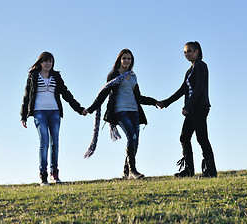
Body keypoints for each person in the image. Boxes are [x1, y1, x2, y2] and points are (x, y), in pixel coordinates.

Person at [85, 49, 158, 179]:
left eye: (129, 59)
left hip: (134, 111)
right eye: (124, 58)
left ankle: (126, 172)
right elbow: (103, 93)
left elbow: (139, 97)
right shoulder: (114, 75)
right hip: (120, 111)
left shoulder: (133, 76)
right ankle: (133, 171)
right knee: (132, 136)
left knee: (135, 140)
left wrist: (154, 102)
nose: (126, 61)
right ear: (119, 60)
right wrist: (90, 109)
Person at [20, 51, 87, 186]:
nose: (48, 64)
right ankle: (43, 175)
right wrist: (23, 115)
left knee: (54, 143)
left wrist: (79, 109)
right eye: (45, 61)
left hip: (54, 112)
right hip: (39, 112)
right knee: (44, 142)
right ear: (40, 62)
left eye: (50, 61)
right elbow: (27, 95)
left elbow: (66, 94)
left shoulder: (56, 76)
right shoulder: (33, 76)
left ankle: (54, 173)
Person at [157, 41, 217, 178]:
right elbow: (182, 90)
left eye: (189, 51)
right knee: (184, 137)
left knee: (202, 138)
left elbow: (199, 88)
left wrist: (187, 106)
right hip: (191, 109)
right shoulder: (189, 71)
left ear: (197, 51)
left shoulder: (201, 66)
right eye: (185, 52)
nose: (187, 54)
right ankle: (189, 171)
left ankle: (211, 171)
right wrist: (165, 103)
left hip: (199, 108)